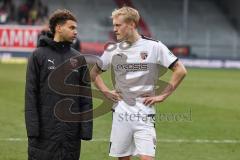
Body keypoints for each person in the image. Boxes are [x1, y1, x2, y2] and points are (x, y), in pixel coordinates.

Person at [90, 6, 187, 160]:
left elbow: (180, 70)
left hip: (145, 113)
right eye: (114, 25)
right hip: (121, 113)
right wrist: (106, 91)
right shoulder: (113, 50)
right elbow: (94, 73)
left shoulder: (154, 46)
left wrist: (163, 95)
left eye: (118, 25)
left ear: (132, 25)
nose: (114, 29)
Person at [25, 9, 92, 160]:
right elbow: (31, 95)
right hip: (44, 134)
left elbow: (86, 97)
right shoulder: (38, 55)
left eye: (76, 28)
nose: (76, 32)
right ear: (58, 28)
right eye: (72, 27)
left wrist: (86, 129)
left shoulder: (79, 59)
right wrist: (33, 129)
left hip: (70, 135)